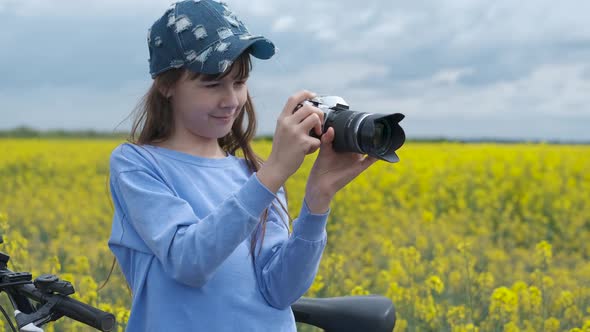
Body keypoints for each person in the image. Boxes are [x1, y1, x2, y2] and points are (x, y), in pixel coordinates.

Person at [107, 1, 378, 331]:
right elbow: (189, 262)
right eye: (212, 84)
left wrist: (318, 199)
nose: (231, 100)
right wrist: (273, 174)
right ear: (166, 85)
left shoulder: (253, 173)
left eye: (239, 83)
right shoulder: (137, 164)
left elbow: (279, 291)